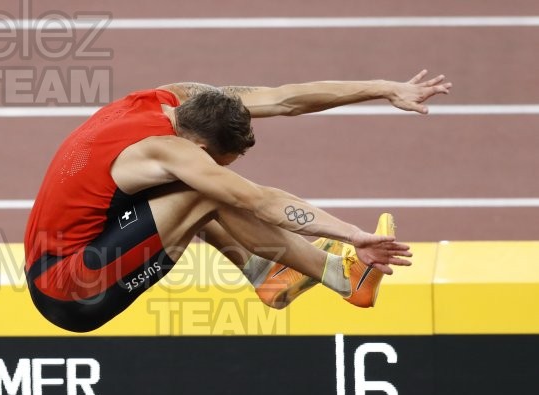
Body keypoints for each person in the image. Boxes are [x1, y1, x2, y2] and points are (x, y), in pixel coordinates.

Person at [24, 71, 452, 332]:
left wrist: (382, 88)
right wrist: (354, 235)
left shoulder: (168, 99)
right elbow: (261, 201)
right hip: (71, 291)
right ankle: (342, 276)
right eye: (228, 157)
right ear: (201, 146)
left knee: (197, 189)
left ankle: (267, 272)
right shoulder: (168, 153)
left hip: (72, 254)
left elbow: (285, 98)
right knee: (202, 192)